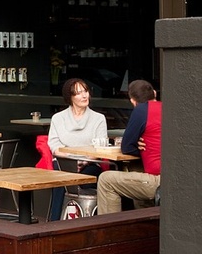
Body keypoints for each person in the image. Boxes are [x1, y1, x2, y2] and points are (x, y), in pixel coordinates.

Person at [97, 79, 161, 215]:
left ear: (132, 101)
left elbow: (126, 147)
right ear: (154, 94)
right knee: (136, 171)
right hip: (178, 177)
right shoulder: (169, 109)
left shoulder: (142, 110)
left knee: (105, 180)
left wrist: (141, 147)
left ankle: (110, 232)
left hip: (159, 181)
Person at [47, 77, 108, 219]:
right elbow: (54, 145)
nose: (84, 95)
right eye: (79, 93)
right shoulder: (58, 118)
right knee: (61, 179)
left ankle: (86, 221)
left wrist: (83, 162)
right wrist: (72, 161)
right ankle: (54, 223)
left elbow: (100, 147)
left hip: (89, 164)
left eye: (85, 91)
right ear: (70, 97)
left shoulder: (98, 118)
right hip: (64, 162)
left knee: (85, 179)